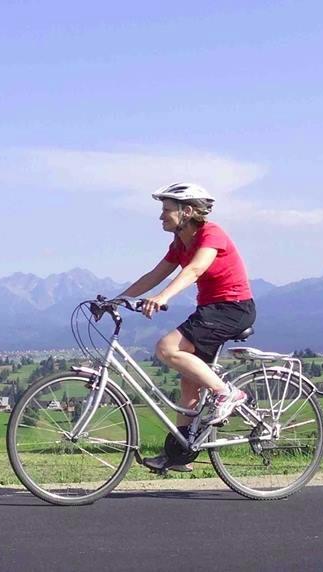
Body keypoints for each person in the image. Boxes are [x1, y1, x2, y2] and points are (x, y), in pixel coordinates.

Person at [117, 182, 256, 472]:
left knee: (166, 348)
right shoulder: (180, 243)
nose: (161, 217)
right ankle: (179, 455)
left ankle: (227, 393)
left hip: (233, 309)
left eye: (167, 210)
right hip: (211, 310)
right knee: (189, 385)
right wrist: (118, 299)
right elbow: (155, 274)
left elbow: (195, 270)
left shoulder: (211, 234)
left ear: (187, 211)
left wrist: (162, 298)